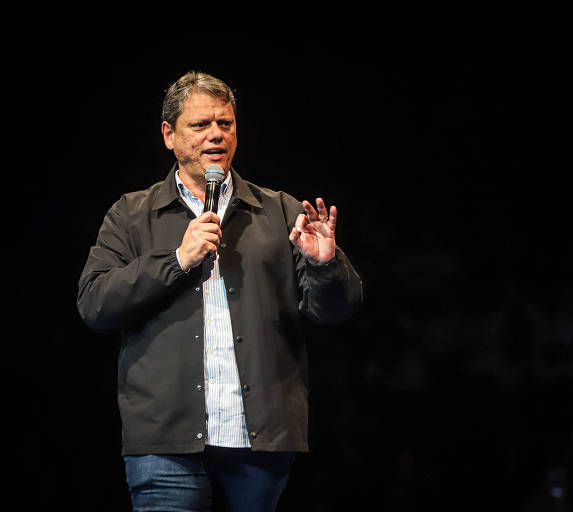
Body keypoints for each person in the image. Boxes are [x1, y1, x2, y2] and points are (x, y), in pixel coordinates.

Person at [77, 71, 363, 511]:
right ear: (168, 135)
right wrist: (175, 259)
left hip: (259, 442)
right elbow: (95, 304)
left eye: (225, 124)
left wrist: (325, 265)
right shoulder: (132, 214)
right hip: (165, 440)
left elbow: (333, 311)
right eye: (200, 125)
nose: (216, 135)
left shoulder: (278, 210)